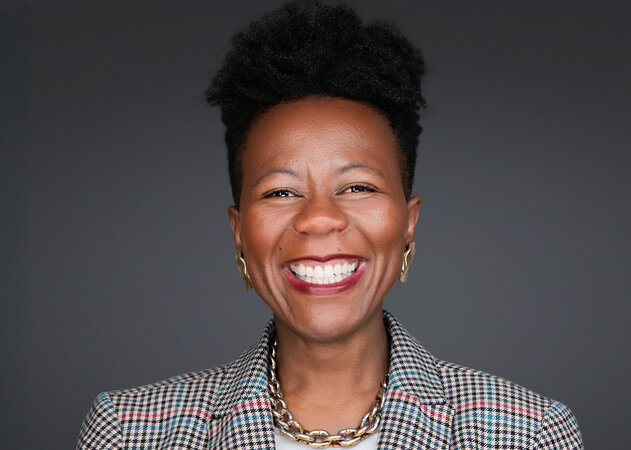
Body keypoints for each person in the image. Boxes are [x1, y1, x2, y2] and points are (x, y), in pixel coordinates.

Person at [77, 1, 583, 448]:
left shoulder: (527, 433)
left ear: (408, 223)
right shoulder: (130, 432)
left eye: (358, 186)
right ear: (239, 231)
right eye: (280, 192)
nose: (319, 218)